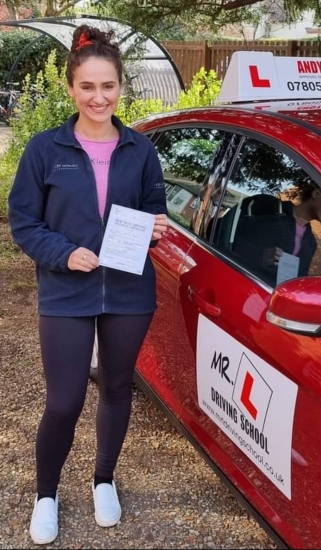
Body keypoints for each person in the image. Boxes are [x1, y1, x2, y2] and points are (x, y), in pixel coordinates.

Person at [8, 24, 168, 545]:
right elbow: (24, 222)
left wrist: (156, 226)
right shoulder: (43, 148)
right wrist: (64, 253)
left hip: (127, 289)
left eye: (108, 86)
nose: (99, 97)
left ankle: (103, 479)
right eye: (87, 87)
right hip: (66, 290)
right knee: (64, 400)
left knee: (118, 388)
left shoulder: (140, 149)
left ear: (121, 87)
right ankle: (46, 495)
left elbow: (153, 208)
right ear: (71, 89)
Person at [229, 183, 321, 286]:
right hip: (234, 283)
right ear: (316, 194)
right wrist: (259, 256)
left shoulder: (311, 243)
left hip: (265, 299)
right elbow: (222, 232)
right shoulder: (265, 205)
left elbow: (297, 279)